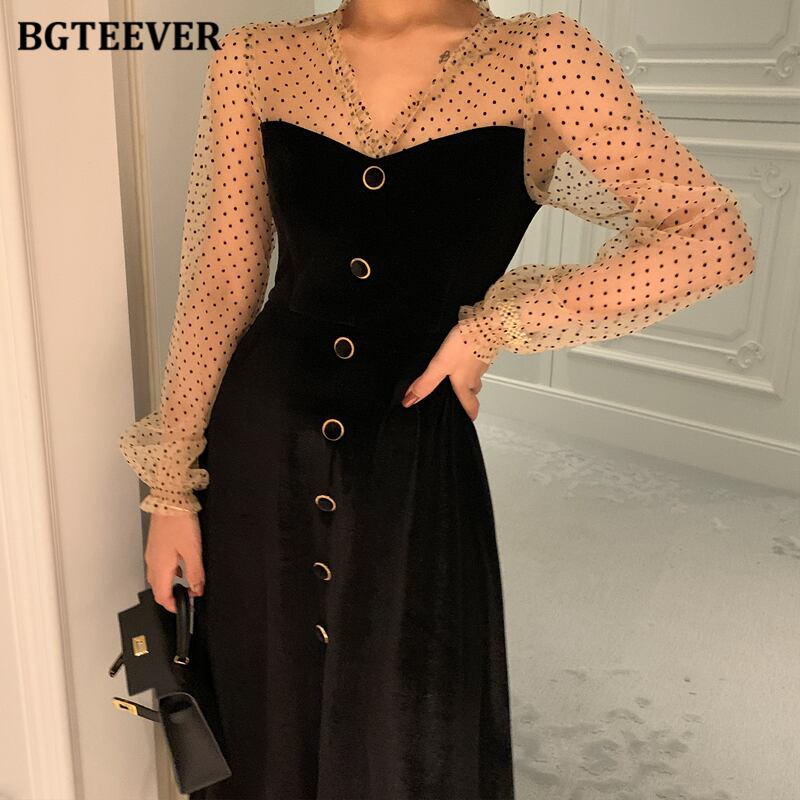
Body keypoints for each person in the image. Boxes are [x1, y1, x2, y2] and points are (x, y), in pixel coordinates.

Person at [118, 1, 755, 797]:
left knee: (410, 718)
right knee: (261, 714)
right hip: (261, 445)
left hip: (413, 454)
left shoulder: (540, 55)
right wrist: (171, 491)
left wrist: (495, 327)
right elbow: (221, 284)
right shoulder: (256, 59)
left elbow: (710, 235)